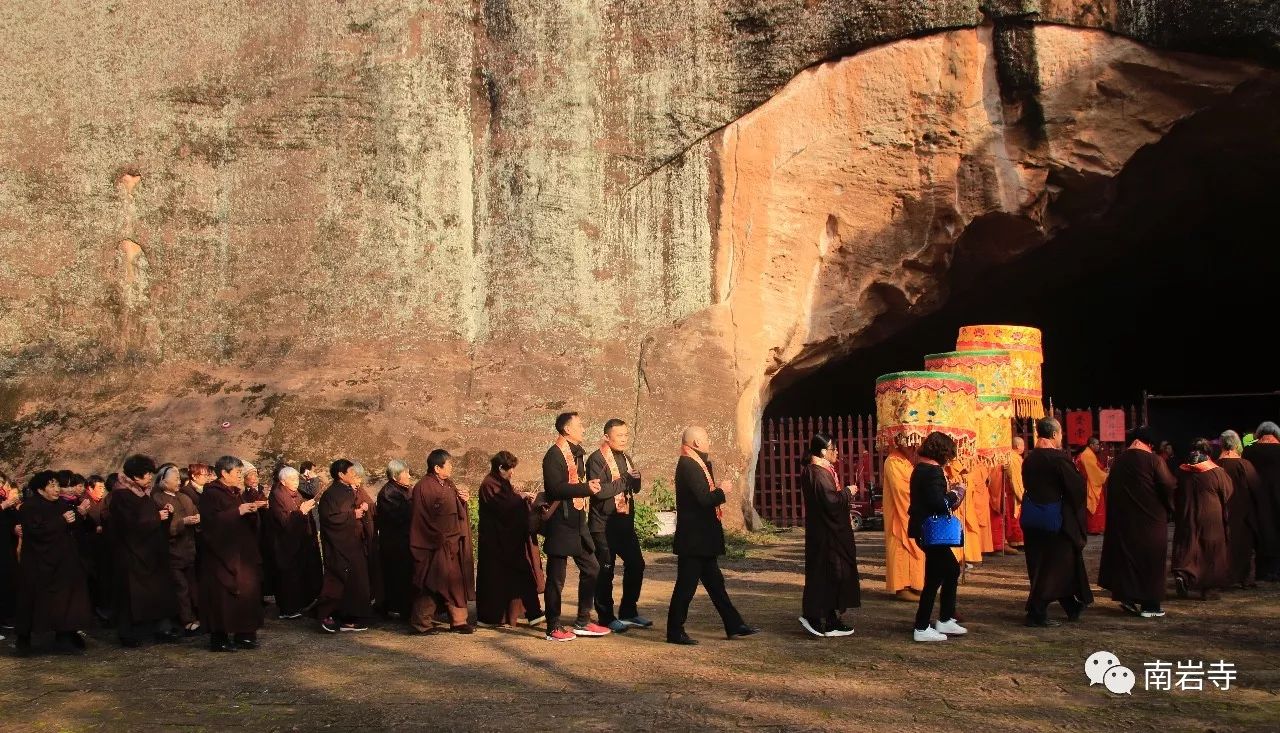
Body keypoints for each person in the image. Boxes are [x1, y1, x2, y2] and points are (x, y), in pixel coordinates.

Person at [666, 425, 758, 645]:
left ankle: (734, 624)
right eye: (706, 438)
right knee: (685, 587)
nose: (709, 442)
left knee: (716, 584)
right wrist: (722, 491)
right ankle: (674, 631)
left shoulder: (696, 463)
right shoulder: (688, 465)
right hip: (694, 539)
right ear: (696, 443)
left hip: (702, 539)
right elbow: (704, 499)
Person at [541, 412, 610, 641]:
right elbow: (555, 489)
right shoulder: (554, 455)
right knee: (556, 578)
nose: (583, 428)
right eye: (579, 425)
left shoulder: (577, 454)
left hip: (578, 523)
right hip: (560, 524)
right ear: (567, 430)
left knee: (592, 568)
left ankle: (582, 621)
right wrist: (585, 489)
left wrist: (587, 487)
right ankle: (553, 627)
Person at [1020, 418, 1092, 627]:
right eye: (1060, 433)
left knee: (1042, 564)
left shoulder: (1030, 459)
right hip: (1055, 521)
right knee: (1056, 566)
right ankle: (1036, 612)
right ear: (1053, 435)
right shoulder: (1058, 459)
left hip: (1033, 518)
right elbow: (1077, 490)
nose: (1062, 437)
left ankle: (1071, 605)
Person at [1097, 426, 1176, 617]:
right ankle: (1150, 606)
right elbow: (1168, 485)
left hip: (1124, 520)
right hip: (1150, 521)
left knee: (1127, 559)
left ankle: (1128, 597)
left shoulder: (1119, 461)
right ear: (1149, 443)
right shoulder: (1153, 460)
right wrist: (1171, 508)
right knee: (1151, 562)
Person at [14, 470, 92, 655]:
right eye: (52, 485)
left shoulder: (61, 504)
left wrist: (79, 515)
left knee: (67, 600)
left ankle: (66, 633)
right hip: (39, 563)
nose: (57, 489)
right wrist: (61, 521)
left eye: (57, 485)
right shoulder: (30, 507)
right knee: (34, 601)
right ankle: (24, 638)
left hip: (64, 562)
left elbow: (72, 527)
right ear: (40, 490)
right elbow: (36, 531)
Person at [110, 454, 181, 647]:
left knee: (154, 592)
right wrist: (156, 517)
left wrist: (164, 514)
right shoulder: (121, 495)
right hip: (131, 554)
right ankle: (128, 632)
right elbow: (129, 525)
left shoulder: (144, 493)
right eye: (146, 474)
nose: (150, 477)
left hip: (150, 552)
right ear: (134, 476)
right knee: (131, 596)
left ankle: (158, 627)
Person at [586, 419, 650, 632]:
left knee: (637, 564)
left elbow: (633, 488)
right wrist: (626, 480)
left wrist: (636, 480)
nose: (624, 439)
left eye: (625, 435)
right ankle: (606, 617)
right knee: (606, 571)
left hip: (623, 522)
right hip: (603, 525)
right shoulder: (596, 459)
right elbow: (600, 491)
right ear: (606, 437)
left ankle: (629, 611)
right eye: (619, 435)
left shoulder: (625, 457)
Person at [199, 456, 268, 652]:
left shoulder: (236, 493)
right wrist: (238, 511)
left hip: (244, 552)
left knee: (247, 593)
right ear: (224, 473)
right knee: (222, 596)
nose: (240, 477)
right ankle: (219, 637)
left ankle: (244, 633)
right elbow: (211, 523)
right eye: (237, 473)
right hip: (222, 554)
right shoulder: (211, 494)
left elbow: (243, 516)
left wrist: (252, 510)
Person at [906, 432, 967, 642]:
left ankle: (945, 618)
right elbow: (938, 503)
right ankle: (922, 627)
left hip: (926, 529)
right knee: (941, 574)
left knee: (947, 571)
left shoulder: (921, 468)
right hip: (931, 530)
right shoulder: (931, 471)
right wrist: (956, 492)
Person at [798, 433, 860, 637]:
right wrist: (848, 493)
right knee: (824, 575)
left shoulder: (823, 471)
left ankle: (831, 618)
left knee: (834, 575)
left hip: (831, 532)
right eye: (833, 448)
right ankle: (813, 616)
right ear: (823, 451)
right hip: (825, 534)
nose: (837, 453)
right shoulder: (816, 473)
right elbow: (830, 502)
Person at [408, 450, 475, 634]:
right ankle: (421, 623)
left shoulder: (448, 484)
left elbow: (455, 509)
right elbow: (420, 518)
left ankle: (459, 621)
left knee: (455, 582)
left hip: (451, 543)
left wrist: (463, 500)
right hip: (434, 544)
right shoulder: (423, 487)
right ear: (437, 468)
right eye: (449, 464)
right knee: (432, 581)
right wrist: (438, 538)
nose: (452, 467)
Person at [476, 451, 545, 627]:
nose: (512, 472)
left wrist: (519, 498)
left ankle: (533, 613)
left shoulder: (500, 482)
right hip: (496, 542)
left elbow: (508, 501)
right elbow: (503, 506)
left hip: (508, 540)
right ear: (501, 468)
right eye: (510, 469)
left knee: (521, 577)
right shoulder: (489, 484)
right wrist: (520, 499)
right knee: (498, 581)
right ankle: (495, 617)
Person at [315, 459, 373, 633]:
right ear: (341, 475)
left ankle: (352, 617)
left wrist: (362, 507)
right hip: (340, 546)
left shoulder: (348, 491)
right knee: (338, 580)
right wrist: (352, 514)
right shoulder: (331, 495)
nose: (354, 476)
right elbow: (330, 518)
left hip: (354, 543)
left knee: (357, 582)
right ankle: (328, 614)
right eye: (351, 472)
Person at [1172, 441, 1233, 600]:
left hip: (1186, 515)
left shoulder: (1181, 471)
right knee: (1210, 551)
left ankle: (1182, 575)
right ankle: (1208, 589)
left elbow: (1173, 490)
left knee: (1187, 546)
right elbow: (1228, 492)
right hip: (1210, 517)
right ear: (1209, 453)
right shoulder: (1217, 472)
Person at [152, 464, 201, 636]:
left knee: (192, 585)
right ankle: (186, 620)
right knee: (181, 587)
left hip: (189, 549)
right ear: (163, 481)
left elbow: (195, 512)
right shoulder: (158, 498)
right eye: (175, 479)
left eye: (179, 479)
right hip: (172, 551)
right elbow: (166, 527)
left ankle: (196, 617)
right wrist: (183, 522)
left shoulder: (185, 497)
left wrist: (197, 518)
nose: (178, 482)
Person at [268, 466, 321, 619]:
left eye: (297, 479)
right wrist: (301, 511)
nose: (296, 482)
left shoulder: (295, 493)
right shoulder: (278, 495)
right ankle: (288, 609)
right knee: (288, 575)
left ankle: (301, 603)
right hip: (284, 543)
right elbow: (284, 520)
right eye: (292, 479)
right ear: (283, 482)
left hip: (298, 540)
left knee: (300, 572)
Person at [1217, 430, 1261, 588]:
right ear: (1237, 445)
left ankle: (1225, 578)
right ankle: (1244, 579)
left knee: (1225, 547)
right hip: (1243, 512)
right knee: (1244, 546)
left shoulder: (1216, 464)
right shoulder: (1244, 465)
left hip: (1222, 511)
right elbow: (1256, 487)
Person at [882, 441, 923, 601]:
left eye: (915, 444)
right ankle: (902, 586)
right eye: (908, 443)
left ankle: (916, 583)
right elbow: (903, 491)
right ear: (899, 442)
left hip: (912, 512)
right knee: (901, 545)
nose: (913, 447)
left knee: (916, 546)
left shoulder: (908, 462)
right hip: (899, 514)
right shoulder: (893, 461)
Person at [376, 460, 414, 621]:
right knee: (395, 575)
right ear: (395, 476)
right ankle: (394, 608)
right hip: (394, 542)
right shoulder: (388, 493)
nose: (409, 476)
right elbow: (400, 516)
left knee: (406, 575)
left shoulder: (404, 490)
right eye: (405, 473)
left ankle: (405, 606)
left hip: (405, 540)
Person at [1242, 422, 1280, 581]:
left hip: (1256, 500)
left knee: (1260, 534)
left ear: (1259, 434)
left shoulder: (1249, 451)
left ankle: (1261, 572)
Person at [81, 474, 113, 621]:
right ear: (90, 488)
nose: (102, 491)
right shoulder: (85, 502)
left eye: (103, 487)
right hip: (89, 547)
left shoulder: (102, 502)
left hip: (102, 546)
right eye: (99, 488)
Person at [0, 471, 21, 633]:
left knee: (7, 581)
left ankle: (6, 617)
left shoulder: (5, 501)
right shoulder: (4, 502)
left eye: (3, 482)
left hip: (6, 547)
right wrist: (4, 505)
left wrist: (15, 528)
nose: (2, 486)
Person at [1077, 437, 1109, 535]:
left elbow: (1096, 467)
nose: (1098, 446)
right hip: (1090, 484)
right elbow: (1094, 472)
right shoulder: (1087, 455)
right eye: (1097, 444)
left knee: (1097, 506)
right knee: (1094, 506)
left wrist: (1103, 470)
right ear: (1091, 445)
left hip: (1092, 482)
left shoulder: (1089, 454)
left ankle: (1096, 528)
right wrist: (1105, 474)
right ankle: (1093, 528)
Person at [1003, 437, 1027, 554]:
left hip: (1011, 491)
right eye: (1023, 445)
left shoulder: (1014, 457)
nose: (1024, 448)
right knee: (1014, 516)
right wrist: (1021, 495)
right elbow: (1015, 479)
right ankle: (1016, 541)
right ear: (1018, 446)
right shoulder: (1013, 458)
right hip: (1013, 493)